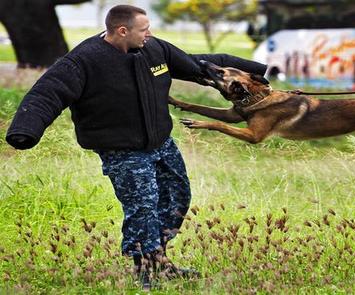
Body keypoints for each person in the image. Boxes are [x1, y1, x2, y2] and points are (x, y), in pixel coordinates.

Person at [4, 5, 266, 290]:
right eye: (144, 29)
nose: (149, 34)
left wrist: (259, 72)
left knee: (178, 197)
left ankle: (159, 259)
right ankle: (146, 269)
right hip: (121, 149)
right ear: (122, 31)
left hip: (161, 142)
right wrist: (25, 131)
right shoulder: (83, 61)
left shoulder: (154, 49)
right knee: (142, 207)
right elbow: (47, 93)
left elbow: (198, 65)